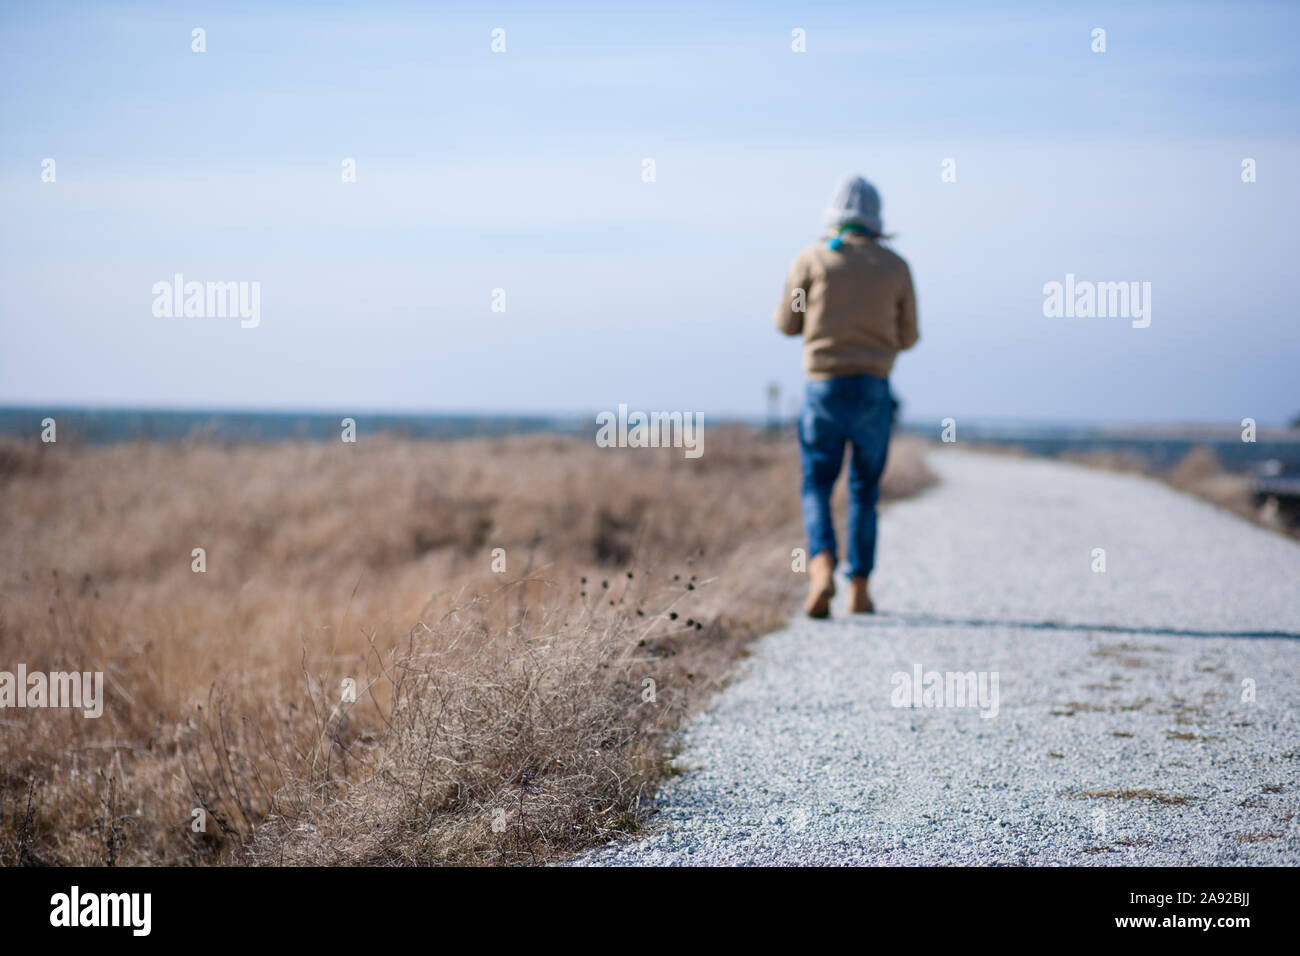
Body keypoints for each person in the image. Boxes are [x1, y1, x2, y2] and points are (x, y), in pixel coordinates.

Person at [773, 175, 919, 618]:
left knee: (817, 482)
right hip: (874, 387)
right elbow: (908, 336)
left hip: (823, 386)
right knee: (864, 488)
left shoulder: (813, 259)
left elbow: (787, 323)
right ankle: (859, 586)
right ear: (877, 219)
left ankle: (820, 569)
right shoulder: (896, 266)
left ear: (833, 216)